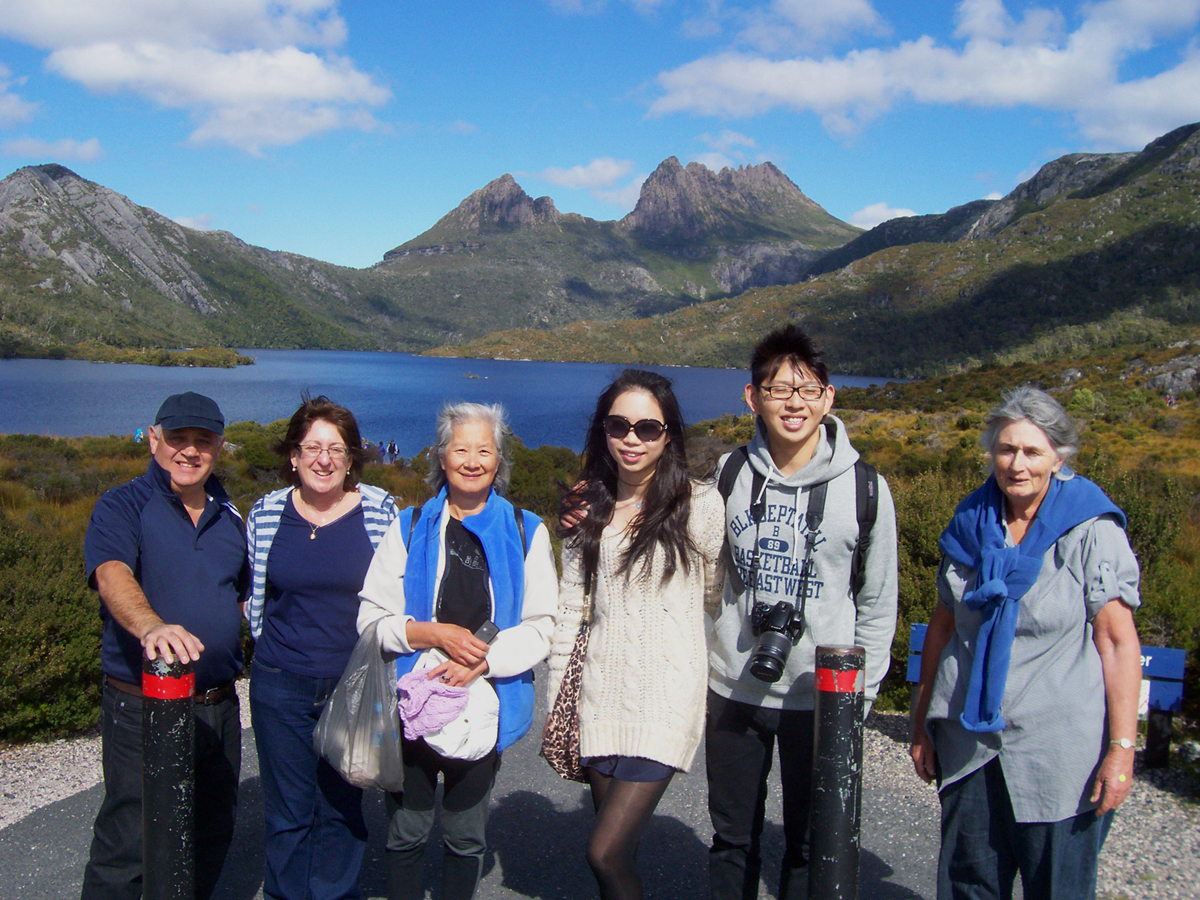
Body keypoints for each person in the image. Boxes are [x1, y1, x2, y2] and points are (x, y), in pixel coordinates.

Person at [910, 386, 1142, 900]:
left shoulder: (1090, 530)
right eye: (1007, 449)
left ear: (1058, 458)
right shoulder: (968, 524)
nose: (1018, 464)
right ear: (992, 452)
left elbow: (1119, 644)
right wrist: (922, 722)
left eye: (1033, 452)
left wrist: (1122, 751)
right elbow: (944, 628)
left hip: (1057, 753)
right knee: (968, 886)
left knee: (1056, 888)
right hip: (971, 745)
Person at [706, 324, 898, 900]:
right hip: (734, 686)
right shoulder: (729, 475)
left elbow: (877, 599)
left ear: (829, 398)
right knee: (731, 839)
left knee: (810, 845)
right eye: (779, 389)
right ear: (752, 397)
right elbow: (701, 571)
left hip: (822, 696)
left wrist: (860, 694)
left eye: (809, 389)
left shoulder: (866, 489)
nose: (794, 402)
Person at [358, 402, 558, 900]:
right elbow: (370, 618)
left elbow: (541, 625)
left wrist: (483, 662)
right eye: (460, 448)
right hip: (412, 702)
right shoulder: (408, 527)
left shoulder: (526, 530)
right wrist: (433, 634)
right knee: (407, 831)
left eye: (483, 450)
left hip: (484, 707)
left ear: (499, 461)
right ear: (441, 456)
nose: (472, 460)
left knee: (466, 837)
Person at [547, 369, 725, 900]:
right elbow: (573, 607)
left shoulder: (701, 506)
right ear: (603, 431)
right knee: (615, 856)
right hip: (601, 698)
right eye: (619, 425)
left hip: (666, 701)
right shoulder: (588, 511)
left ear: (668, 434)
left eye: (648, 427)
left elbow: (710, 599)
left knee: (604, 852)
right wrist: (561, 693)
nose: (631, 438)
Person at [81, 392, 248, 900]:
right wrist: (152, 626)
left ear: (220, 445)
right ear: (154, 439)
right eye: (178, 438)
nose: (190, 451)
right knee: (130, 840)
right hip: (143, 703)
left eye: (203, 440)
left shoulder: (231, 515)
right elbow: (111, 573)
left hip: (217, 704)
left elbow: (238, 596)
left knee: (209, 832)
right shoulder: (123, 504)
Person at [244, 397, 400, 900]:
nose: (324, 459)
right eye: (312, 447)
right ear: (293, 454)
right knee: (288, 812)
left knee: (341, 809)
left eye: (336, 448)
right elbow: (256, 596)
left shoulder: (380, 511)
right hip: (280, 684)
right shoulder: (266, 513)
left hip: (353, 684)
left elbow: (397, 592)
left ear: (352, 458)